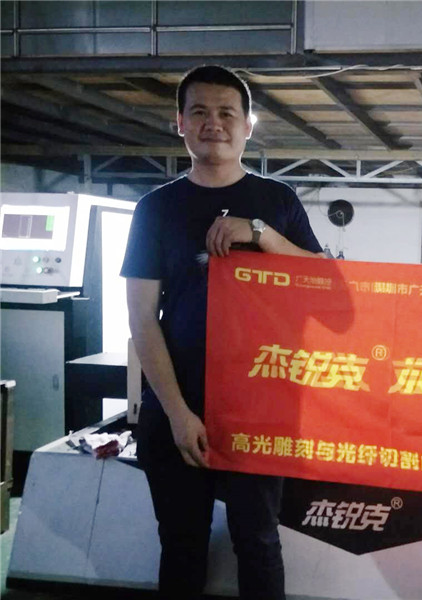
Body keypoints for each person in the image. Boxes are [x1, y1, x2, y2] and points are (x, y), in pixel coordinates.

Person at [121, 64, 324, 600]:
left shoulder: (277, 201)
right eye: (200, 112)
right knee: (181, 546)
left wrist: (261, 235)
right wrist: (177, 413)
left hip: (260, 408)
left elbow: (327, 287)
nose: (214, 123)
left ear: (249, 126)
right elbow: (141, 317)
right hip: (178, 409)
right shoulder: (155, 209)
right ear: (180, 124)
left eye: (227, 113)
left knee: (258, 543)